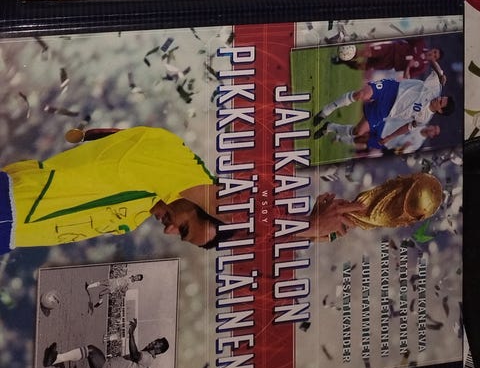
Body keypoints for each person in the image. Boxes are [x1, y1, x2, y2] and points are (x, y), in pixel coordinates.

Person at [0, 123, 366, 253]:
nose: (169, 230)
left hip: (9, 235)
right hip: (10, 205)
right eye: (185, 227)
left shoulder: (140, 209)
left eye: (180, 235)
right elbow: (229, 209)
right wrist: (305, 226)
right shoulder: (173, 160)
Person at [313, 60, 454, 146]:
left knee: (358, 132)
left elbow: (408, 127)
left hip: (387, 110)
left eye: (441, 102)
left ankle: (329, 127)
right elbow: (432, 61)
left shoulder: (424, 118)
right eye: (441, 97)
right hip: (391, 89)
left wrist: (390, 137)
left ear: (440, 111)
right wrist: (440, 74)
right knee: (360, 95)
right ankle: (326, 111)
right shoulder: (435, 88)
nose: (439, 98)